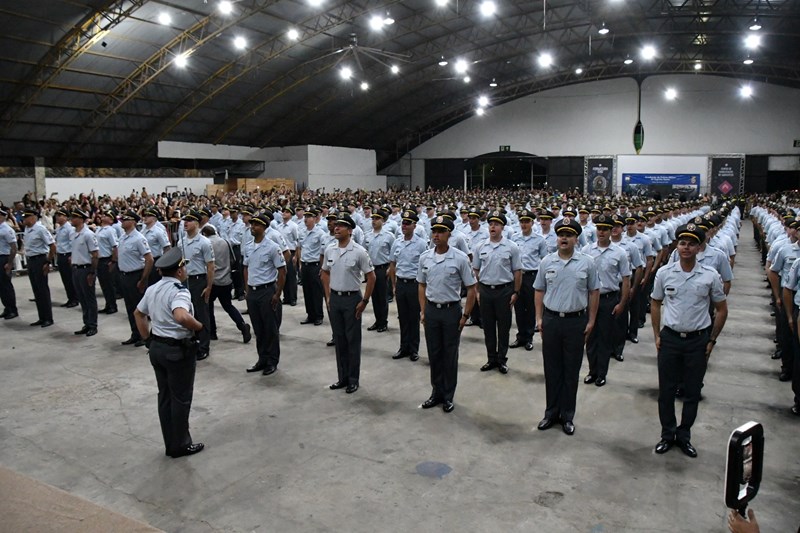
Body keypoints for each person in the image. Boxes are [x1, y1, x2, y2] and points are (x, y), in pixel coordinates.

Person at [651, 222, 728, 458]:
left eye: (691, 243)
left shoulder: (710, 275)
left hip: (697, 340)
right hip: (670, 339)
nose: (686, 247)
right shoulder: (665, 273)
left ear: (699, 247)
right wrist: (656, 334)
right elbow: (655, 303)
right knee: (666, 391)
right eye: (682, 243)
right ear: (677, 245)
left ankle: (684, 436)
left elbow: (722, 309)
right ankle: (667, 435)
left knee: (692, 392)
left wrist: (712, 340)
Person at [134, 247, 205, 459]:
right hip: (177, 350)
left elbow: (138, 314)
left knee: (165, 397)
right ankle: (181, 444)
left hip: (157, 348)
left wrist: (147, 339)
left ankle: (170, 443)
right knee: (181, 399)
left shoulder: (153, 289)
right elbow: (182, 316)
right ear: (180, 271)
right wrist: (198, 326)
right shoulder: (179, 291)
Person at [534, 218, 599, 435]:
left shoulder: (587, 262)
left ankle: (567, 415)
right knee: (552, 370)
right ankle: (550, 413)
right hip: (552, 320)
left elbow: (594, 292)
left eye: (569, 234)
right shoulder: (546, 262)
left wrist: (591, 320)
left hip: (575, 321)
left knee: (571, 371)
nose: (564, 238)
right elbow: (539, 290)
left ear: (576, 238)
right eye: (561, 234)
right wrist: (539, 318)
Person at [417, 215, 477, 412]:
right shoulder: (425, 257)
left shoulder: (459, 258)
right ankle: (436, 392)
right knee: (434, 354)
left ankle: (448, 395)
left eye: (441, 231)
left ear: (449, 234)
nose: (436, 235)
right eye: (434, 231)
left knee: (449, 355)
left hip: (451, 311)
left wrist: (465, 315)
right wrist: (424, 310)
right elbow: (421, 284)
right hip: (432, 310)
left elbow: (471, 289)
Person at [320, 213, 375, 394]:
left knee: (352, 341)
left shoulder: (359, 251)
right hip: (335, 299)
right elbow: (325, 273)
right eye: (336, 225)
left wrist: (365, 301)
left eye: (341, 226)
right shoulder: (330, 250)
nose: (336, 228)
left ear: (350, 231)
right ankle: (342, 377)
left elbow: (371, 276)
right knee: (340, 340)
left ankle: (353, 379)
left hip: (352, 299)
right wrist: (328, 296)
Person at [581, 214, 631, 387]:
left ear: (611, 231)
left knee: (604, 338)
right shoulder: (587, 250)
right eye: (599, 228)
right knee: (590, 338)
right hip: (589, 299)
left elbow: (626, 280)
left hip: (609, 299)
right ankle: (592, 371)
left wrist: (622, 303)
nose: (601, 232)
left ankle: (601, 373)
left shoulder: (620, 253)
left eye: (604, 229)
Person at [472, 210, 522, 374]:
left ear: (503, 227)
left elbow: (517, 271)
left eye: (497, 224)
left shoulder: (511, 247)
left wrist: (515, 292)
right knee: (488, 327)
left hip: (504, 291)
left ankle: (502, 359)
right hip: (486, 291)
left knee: (503, 327)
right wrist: (479, 291)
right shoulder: (480, 246)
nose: (493, 227)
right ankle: (491, 358)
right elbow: (476, 270)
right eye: (491, 224)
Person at [242, 213, 286, 375]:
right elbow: (246, 268)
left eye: (257, 225)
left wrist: (277, 293)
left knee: (270, 329)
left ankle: (272, 361)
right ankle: (262, 358)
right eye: (252, 224)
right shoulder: (248, 246)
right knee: (258, 329)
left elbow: (282, 271)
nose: (253, 227)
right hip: (253, 292)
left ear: (265, 228)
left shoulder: (272, 247)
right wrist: (246, 289)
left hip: (267, 291)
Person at [388, 209, 428, 361]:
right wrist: (393, 284)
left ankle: (413, 349)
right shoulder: (397, 242)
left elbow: (425, 267)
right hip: (401, 284)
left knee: (413, 318)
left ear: (414, 225)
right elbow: (392, 264)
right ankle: (403, 347)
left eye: (407, 223)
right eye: (402, 223)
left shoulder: (421, 244)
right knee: (403, 318)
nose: (404, 226)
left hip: (414, 285)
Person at [202, 225, 252, 345]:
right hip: (226, 280)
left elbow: (206, 263)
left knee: (208, 306)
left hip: (212, 280)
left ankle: (212, 332)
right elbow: (233, 259)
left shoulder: (205, 243)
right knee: (228, 306)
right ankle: (242, 326)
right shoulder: (225, 242)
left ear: (204, 234)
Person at [177, 210, 215, 361]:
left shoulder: (204, 242)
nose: (186, 223)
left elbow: (211, 266)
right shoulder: (181, 242)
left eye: (190, 220)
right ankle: (192, 342)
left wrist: (209, 286)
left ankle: (204, 346)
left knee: (201, 314)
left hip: (199, 280)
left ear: (197, 223)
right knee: (188, 313)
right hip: (185, 281)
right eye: (185, 220)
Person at [510, 208, 548, 351]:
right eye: (522, 221)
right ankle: (520, 336)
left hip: (532, 276)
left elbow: (544, 260)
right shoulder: (514, 238)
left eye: (527, 221)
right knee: (518, 308)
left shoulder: (539, 240)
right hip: (518, 276)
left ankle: (529, 337)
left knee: (531, 308)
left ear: (532, 222)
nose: (524, 224)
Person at [117, 210, 154, 347]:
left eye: (125, 219)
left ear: (133, 222)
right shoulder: (123, 237)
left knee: (140, 308)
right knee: (129, 307)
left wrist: (143, 279)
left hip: (135, 275)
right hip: (124, 275)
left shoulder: (139, 238)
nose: (122, 222)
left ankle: (144, 335)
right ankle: (135, 333)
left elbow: (149, 259)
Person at [22, 207, 56, 327]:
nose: (24, 220)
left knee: (42, 290)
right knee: (36, 290)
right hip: (31, 261)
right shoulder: (27, 229)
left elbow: (52, 246)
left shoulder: (40, 229)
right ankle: (41, 317)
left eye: (26, 217)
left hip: (40, 260)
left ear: (33, 217)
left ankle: (48, 318)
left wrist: (48, 262)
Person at [68, 208, 99, 337]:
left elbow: (95, 254)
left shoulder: (88, 234)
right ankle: (86, 323)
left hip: (86, 269)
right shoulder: (73, 234)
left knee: (89, 298)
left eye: (74, 217)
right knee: (82, 298)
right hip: (76, 268)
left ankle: (93, 325)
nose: (72, 219)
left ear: (81, 219)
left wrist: (92, 272)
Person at [364, 207, 395, 333]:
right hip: (371, 269)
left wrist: (390, 269)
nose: (374, 221)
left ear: (383, 220)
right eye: (373, 218)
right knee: (374, 296)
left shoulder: (389, 236)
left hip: (383, 269)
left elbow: (393, 255)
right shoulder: (367, 236)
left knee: (382, 297)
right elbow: (364, 252)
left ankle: (383, 322)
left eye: (377, 218)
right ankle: (377, 321)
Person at [297, 208, 326, 326]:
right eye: (305, 217)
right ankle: (310, 314)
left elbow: (322, 252)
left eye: (309, 217)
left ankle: (318, 315)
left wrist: (321, 267)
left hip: (315, 265)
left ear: (314, 219)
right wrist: (299, 263)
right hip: (305, 265)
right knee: (307, 291)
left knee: (316, 292)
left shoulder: (320, 233)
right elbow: (298, 247)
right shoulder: (302, 232)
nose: (306, 219)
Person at [95, 209, 119, 315]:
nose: (103, 216)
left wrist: (113, 261)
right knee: (103, 284)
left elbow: (115, 246)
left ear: (111, 220)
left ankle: (112, 306)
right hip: (99, 260)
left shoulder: (110, 230)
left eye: (107, 216)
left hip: (107, 259)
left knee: (109, 284)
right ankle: (108, 304)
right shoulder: (99, 229)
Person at [53, 208, 78, 308]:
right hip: (60, 255)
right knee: (65, 279)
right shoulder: (59, 228)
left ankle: (75, 299)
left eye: (60, 215)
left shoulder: (69, 229)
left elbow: (73, 243)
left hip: (67, 255)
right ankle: (70, 298)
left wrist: (72, 256)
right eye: (57, 216)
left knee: (70, 279)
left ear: (65, 217)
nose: (57, 217)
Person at [142, 207, 171, 286]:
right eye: (145, 215)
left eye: (148, 216)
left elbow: (167, 247)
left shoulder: (159, 231)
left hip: (155, 260)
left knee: (154, 284)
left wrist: (163, 264)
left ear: (154, 218)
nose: (145, 217)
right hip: (144, 261)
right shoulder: (143, 229)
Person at [278, 206, 299, 306]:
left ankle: (292, 298)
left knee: (291, 276)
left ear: (290, 214)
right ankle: (286, 297)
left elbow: (297, 240)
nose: (284, 213)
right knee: (283, 275)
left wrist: (296, 256)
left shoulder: (293, 226)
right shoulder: (279, 226)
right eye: (283, 212)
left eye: (286, 212)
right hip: (281, 253)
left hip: (291, 252)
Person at [0, 207, 19, 320]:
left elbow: (14, 247)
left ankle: (13, 309)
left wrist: (10, 263)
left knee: (6, 286)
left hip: (5, 258)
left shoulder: (7, 230)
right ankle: (7, 308)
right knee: (1, 286)